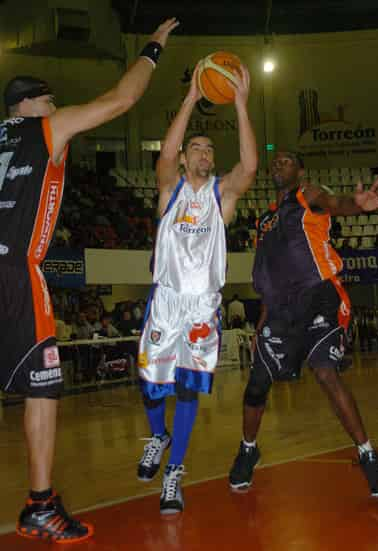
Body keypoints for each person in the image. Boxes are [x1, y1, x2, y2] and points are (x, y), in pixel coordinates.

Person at [0, 17, 178, 544]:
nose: (58, 113)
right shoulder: (45, 128)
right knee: (44, 389)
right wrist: (153, 48)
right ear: (37, 103)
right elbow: (123, 98)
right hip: (14, 271)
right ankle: (39, 504)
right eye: (53, 104)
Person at [228, 151, 378, 499]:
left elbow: (337, 202)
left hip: (320, 296)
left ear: (300, 171)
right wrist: (262, 322)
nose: (278, 164)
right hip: (278, 310)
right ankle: (248, 449)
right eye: (276, 162)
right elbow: (269, 278)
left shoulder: (310, 195)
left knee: (324, 371)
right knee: (257, 384)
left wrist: (357, 204)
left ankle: (368, 455)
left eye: (287, 161)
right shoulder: (264, 222)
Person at [137, 64, 257, 515]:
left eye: (209, 148)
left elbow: (249, 165)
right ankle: (159, 435)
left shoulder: (220, 198)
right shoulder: (169, 190)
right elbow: (165, 156)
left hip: (202, 306)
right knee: (150, 386)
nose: (204, 151)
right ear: (185, 158)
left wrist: (241, 103)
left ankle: (174, 473)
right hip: (165, 300)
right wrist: (190, 98)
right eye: (196, 147)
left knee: (186, 391)